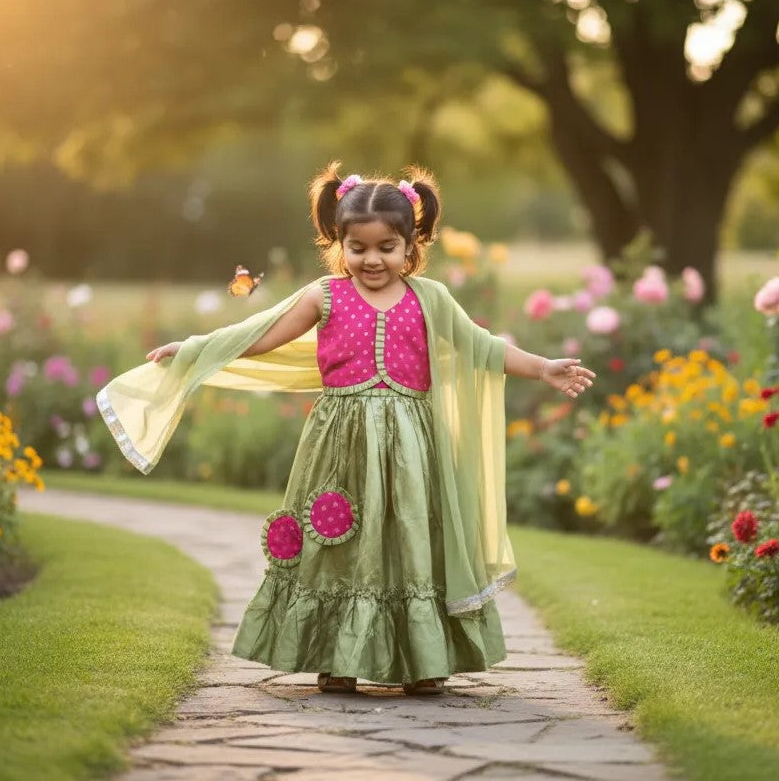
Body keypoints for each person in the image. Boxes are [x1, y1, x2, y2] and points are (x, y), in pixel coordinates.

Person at [100, 161, 595, 696]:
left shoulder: (430, 299)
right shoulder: (325, 296)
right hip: (339, 448)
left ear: (412, 244)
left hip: (411, 449)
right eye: (357, 247)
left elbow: (483, 349)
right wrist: (195, 351)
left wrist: (542, 367)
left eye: (386, 246)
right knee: (339, 540)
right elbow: (261, 333)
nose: (372, 259)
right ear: (339, 243)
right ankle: (336, 656)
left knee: (409, 540)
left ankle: (423, 660)